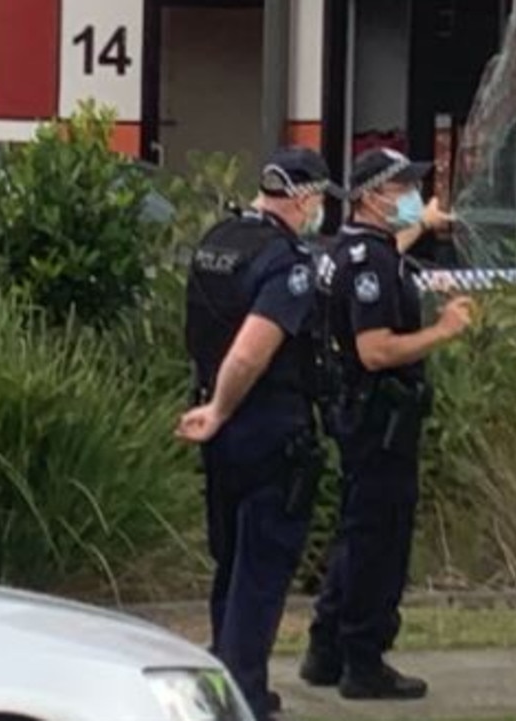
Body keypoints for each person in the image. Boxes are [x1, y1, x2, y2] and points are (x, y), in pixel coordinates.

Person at [298, 147, 475, 700]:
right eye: (402, 191)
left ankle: (326, 649)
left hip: (356, 413)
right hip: (380, 415)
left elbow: (378, 256)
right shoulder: (371, 264)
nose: (411, 198)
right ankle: (364, 659)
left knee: (357, 532)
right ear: (373, 196)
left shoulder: (349, 249)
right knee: (380, 541)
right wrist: (443, 331)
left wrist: (419, 227)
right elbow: (375, 350)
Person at [176, 146, 345, 720]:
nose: (322, 209)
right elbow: (251, 350)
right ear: (301, 198)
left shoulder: (219, 241)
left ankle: (222, 681)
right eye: (319, 198)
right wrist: (223, 405)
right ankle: (244, 696)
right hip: (264, 420)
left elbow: (202, 331)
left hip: (217, 425)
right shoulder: (286, 261)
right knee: (261, 571)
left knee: (230, 562)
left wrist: (210, 409)